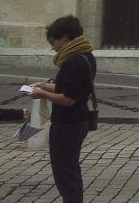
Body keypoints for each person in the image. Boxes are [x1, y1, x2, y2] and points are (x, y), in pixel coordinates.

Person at [28, 15, 96, 203]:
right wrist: (44, 85)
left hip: (67, 125)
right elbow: (67, 87)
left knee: (65, 175)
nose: (52, 46)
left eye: (53, 40)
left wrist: (42, 94)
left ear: (65, 38)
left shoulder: (73, 62)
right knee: (70, 171)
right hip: (79, 121)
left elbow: (67, 99)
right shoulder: (86, 55)